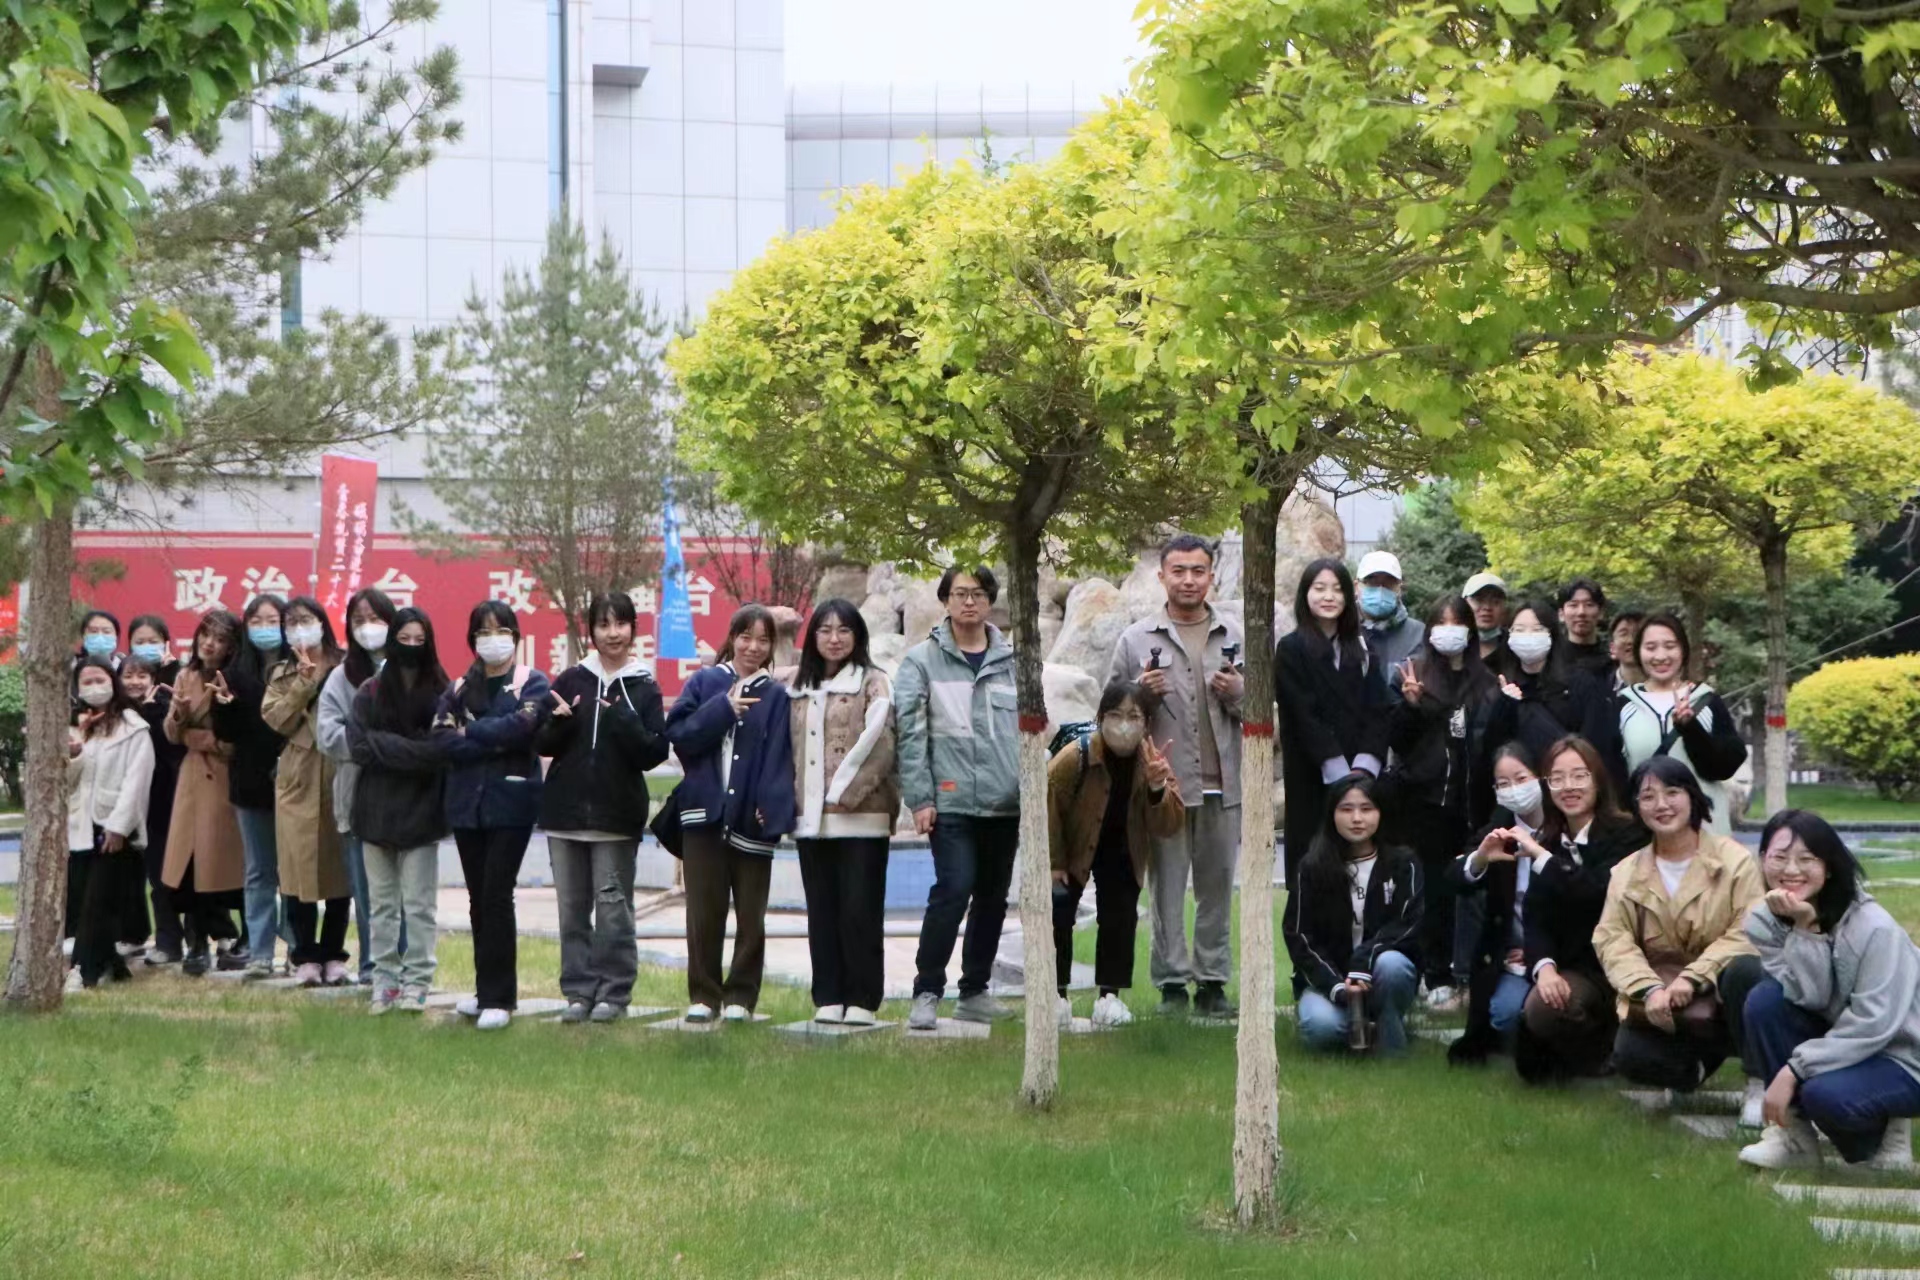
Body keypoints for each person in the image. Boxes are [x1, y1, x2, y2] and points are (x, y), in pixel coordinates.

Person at [1105, 533, 1245, 1017]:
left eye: (1198, 571)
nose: (1189, 580)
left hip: (1223, 785)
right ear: (1161, 575)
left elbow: (1262, 712)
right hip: (1163, 788)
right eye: (1179, 571)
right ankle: (1170, 984)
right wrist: (1138, 694)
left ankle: (1212, 983)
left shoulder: (1235, 634)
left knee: (1217, 890)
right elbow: (1109, 718)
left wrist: (1240, 693)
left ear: (1212, 576)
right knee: (1166, 889)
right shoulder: (1136, 639)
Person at [1738, 810, 1920, 1170]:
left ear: (1830, 867)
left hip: (1904, 1054)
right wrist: (1806, 927)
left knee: (1825, 1095)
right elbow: (1812, 996)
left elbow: (1873, 1024)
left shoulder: (1874, 929)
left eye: (1806, 859)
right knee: (1765, 1002)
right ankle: (1794, 1141)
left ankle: (1888, 1136)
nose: (1791, 870)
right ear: (1762, 860)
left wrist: (1794, 1070)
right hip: (1847, 1039)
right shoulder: (1763, 922)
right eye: (1779, 857)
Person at [1594, 756, 1766, 1093]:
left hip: (1722, 994)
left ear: (1692, 796)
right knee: (1629, 1056)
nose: (1661, 805)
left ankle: (1759, 1081)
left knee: (1747, 971)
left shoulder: (1735, 861)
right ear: (1636, 807)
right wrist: (1649, 989)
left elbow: (1747, 932)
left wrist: (1693, 977)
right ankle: (1694, 1068)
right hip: (1665, 1000)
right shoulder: (1626, 873)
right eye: (1648, 797)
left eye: (1672, 792)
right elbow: (1613, 940)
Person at [898, 567, 1021, 1031]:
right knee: (953, 889)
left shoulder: (1014, 661)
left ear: (990, 601)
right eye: (960, 594)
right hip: (949, 802)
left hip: (1004, 802)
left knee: (992, 898)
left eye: (978, 594)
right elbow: (911, 736)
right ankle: (927, 990)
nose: (969, 602)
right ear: (945, 601)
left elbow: (1031, 729)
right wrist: (920, 799)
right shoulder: (921, 662)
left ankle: (974, 991)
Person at [540, 591, 670, 1024]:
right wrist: (556, 723)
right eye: (603, 624)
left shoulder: (643, 687)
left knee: (614, 912)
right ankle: (578, 992)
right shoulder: (571, 680)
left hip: (615, 819)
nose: (613, 633)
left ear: (633, 629)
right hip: (565, 816)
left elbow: (654, 752)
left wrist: (624, 720)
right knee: (572, 912)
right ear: (591, 630)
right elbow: (542, 742)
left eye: (621, 624)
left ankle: (614, 993)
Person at [665, 604, 795, 1023]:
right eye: (745, 637)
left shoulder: (776, 696)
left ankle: (741, 995)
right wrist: (723, 709)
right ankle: (704, 995)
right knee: (703, 912)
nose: (753, 647)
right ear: (732, 638)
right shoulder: (705, 682)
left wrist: (771, 809)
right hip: (703, 816)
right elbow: (680, 736)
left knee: (751, 914)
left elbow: (780, 757)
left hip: (751, 820)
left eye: (763, 640)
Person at [434, 600, 549, 1030]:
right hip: (469, 806)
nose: (492, 639)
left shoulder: (530, 682)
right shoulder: (461, 687)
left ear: (515, 637)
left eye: (501, 631)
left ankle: (501, 997)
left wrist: (472, 732)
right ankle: (485, 991)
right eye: (483, 632)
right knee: (478, 898)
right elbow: (441, 739)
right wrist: (490, 740)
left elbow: (523, 729)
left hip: (511, 804)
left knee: (498, 894)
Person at [783, 598, 897, 1027]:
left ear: (858, 636)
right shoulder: (797, 686)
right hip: (811, 821)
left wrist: (842, 792)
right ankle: (828, 996)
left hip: (862, 816)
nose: (834, 639)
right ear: (813, 637)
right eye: (825, 630)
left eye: (844, 630)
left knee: (859, 909)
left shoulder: (873, 682)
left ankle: (863, 999)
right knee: (822, 910)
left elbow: (880, 742)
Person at [1048, 680, 1184, 1028]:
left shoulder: (1151, 761)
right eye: (1115, 715)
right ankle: (1055, 995)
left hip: (1123, 844)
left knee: (1120, 915)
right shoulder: (1076, 755)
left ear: (1146, 723)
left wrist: (1157, 787)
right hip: (1074, 843)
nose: (1124, 725)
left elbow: (1169, 824)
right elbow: (1048, 805)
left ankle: (1109, 997)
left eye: (1133, 716)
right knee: (1059, 911)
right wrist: (1054, 862)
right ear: (1100, 717)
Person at [1513, 735, 1648, 1082]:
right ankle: (1598, 1049)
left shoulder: (1629, 833)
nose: (1568, 786)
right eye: (1557, 778)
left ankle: (1612, 1046)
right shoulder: (1549, 841)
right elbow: (1535, 917)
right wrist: (1545, 968)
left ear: (1598, 780)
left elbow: (1597, 890)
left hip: (1627, 966)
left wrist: (1543, 858)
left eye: (1579, 775)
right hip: (1578, 971)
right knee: (1539, 1014)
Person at [1386, 594, 1495, 1012]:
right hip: (1422, 802)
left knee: (1462, 891)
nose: (1449, 633)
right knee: (1425, 890)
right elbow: (1395, 739)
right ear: (1430, 631)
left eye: (1457, 624)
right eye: (1441, 624)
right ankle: (1429, 971)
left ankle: (1459, 971)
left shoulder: (1485, 681)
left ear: (1470, 631)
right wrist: (1411, 706)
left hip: (1470, 802)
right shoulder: (1413, 674)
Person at [347, 607, 452, 1014]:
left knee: (420, 907)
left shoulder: (443, 690)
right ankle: (384, 981)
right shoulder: (370, 690)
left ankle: (418, 981)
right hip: (374, 813)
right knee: (382, 907)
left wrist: (385, 744)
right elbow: (358, 747)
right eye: (403, 639)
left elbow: (441, 750)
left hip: (422, 814)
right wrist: (412, 749)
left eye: (418, 640)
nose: (410, 646)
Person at [1282, 773, 1423, 1054]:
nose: (1357, 818)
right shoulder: (1311, 867)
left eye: (1366, 809)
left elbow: (1409, 924)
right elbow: (1299, 936)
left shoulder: (1402, 862)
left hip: (1382, 974)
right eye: (1346, 809)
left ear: (1381, 812)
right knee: (1320, 1026)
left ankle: (1388, 1037)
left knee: (1392, 965)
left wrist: (1364, 961)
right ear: (1332, 815)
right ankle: (1363, 1026)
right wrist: (1337, 986)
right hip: (1331, 983)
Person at [1276, 557, 1388, 889]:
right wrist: (1338, 773)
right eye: (1319, 588)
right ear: (1305, 595)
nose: (1329, 597)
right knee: (1312, 869)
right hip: (1312, 775)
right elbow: (1302, 715)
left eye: (1337, 589)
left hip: (1360, 776)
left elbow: (1378, 709)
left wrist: (1364, 767)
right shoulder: (1291, 649)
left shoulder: (1362, 647)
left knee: (1360, 871)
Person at [261, 596, 354, 988]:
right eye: (292, 622)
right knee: (297, 870)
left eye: (307, 619)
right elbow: (276, 719)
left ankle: (334, 954)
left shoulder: (346, 665)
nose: (301, 628)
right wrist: (302, 683)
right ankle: (304, 956)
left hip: (338, 769)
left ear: (322, 622)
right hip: (297, 774)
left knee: (339, 871)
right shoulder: (281, 672)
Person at [317, 587, 398, 984]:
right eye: (359, 620)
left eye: (376, 619)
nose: (368, 628)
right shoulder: (340, 677)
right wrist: (375, 746)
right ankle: (372, 966)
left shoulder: (413, 671)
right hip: (356, 795)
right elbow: (327, 735)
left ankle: (407, 966)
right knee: (367, 892)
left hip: (406, 796)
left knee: (406, 893)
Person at [160, 610, 246, 977]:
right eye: (206, 635)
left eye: (221, 639)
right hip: (192, 781)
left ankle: (235, 937)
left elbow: (236, 738)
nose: (210, 643)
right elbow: (172, 733)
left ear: (232, 647)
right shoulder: (186, 676)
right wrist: (180, 717)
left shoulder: (237, 679)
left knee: (223, 863)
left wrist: (199, 738)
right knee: (190, 863)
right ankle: (196, 941)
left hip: (226, 780)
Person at [1482, 598, 1626, 809]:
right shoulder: (1499, 689)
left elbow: (1599, 747)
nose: (1528, 636)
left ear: (1552, 634)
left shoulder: (1581, 683)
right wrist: (1504, 706)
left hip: (1574, 794)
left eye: (1537, 629)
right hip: (1524, 802)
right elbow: (1490, 753)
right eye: (1519, 630)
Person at [64, 659, 155, 989]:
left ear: (112, 682)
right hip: (80, 827)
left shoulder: (132, 726)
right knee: (86, 899)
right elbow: (67, 783)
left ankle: (82, 971)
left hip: (115, 827)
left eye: (99, 679)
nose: (93, 687)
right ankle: (114, 967)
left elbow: (137, 782)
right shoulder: (76, 726)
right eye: (86, 682)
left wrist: (118, 827)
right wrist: (75, 752)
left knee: (98, 902)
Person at [213, 593, 290, 977]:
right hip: (250, 784)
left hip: (294, 783)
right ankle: (260, 952)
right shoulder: (234, 672)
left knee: (293, 872)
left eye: (272, 620)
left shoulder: (299, 667)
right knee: (259, 871)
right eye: (256, 621)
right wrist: (225, 705)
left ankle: (298, 950)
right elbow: (225, 734)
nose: (264, 628)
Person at [1619, 612, 1748, 837]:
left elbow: (1725, 767)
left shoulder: (1706, 700)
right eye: (1650, 647)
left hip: (1706, 832)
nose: (1660, 656)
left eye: (1670, 646)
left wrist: (1690, 728)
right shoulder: (1623, 705)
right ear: (1638, 652)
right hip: (1644, 835)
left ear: (1683, 650)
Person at [120, 655, 186, 966]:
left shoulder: (164, 706)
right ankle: (134, 936)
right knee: (137, 878)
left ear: (153, 679)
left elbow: (171, 747)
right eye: (128, 675)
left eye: (142, 675)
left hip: (162, 804)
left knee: (166, 877)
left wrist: (152, 712)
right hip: (125, 806)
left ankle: (174, 942)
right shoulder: (114, 712)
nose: (135, 682)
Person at [1357, 549, 1426, 682]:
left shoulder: (1418, 634)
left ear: (1399, 589)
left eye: (1388, 583)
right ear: (1357, 586)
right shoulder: (1341, 629)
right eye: (1373, 582)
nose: (1380, 590)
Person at [1557, 578, 1614, 680]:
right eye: (1573, 605)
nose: (1581, 612)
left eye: (1589, 605)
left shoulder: (1613, 659)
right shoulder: (1550, 660)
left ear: (1601, 613)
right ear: (1561, 614)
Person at [70, 609, 121, 716]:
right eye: (93, 631)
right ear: (83, 636)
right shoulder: (71, 666)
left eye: (106, 632)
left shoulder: (123, 667)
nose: (100, 637)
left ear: (116, 636)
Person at [1464, 572, 1510, 665]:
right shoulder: (1451, 645)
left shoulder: (1515, 648)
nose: (1487, 607)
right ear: (1464, 603)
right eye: (1479, 600)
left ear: (1504, 608)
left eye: (1495, 602)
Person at [127, 614, 181, 687]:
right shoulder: (123, 671)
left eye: (153, 642)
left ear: (165, 643)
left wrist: (169, 669)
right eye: (140, 642)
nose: (146, 646)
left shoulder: (179, 672)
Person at [1608, 610, 1646, 693]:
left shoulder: (1668, 688)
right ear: (1612, 648)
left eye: (1638, 634)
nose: (1631, 640)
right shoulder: (1597, 689)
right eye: (1623, 634)